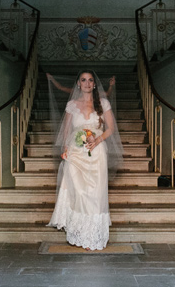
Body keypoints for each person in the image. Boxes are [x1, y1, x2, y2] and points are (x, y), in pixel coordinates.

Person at [46, 70, 124, 250]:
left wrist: (97, 140)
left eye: (90, 80)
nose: (87, 83)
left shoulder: (103, 103)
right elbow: (66, 130)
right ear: (78, 84)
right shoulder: (72, 105)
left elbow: (110, 128)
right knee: (78, 193)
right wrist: (65, 149)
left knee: (95, 194)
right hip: (76, 152)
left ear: (94, 84)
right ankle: (79, 232)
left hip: (96, 152)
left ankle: (94, 235)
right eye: (83, 80)